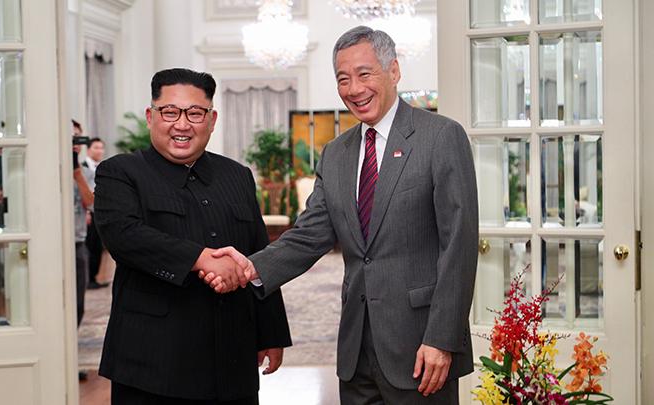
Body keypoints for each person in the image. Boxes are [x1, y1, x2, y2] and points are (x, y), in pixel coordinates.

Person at [202, 26, 479, 404]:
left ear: (393, 71)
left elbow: (459, 245)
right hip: (356, 349)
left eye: (364, 74)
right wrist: (249, 267)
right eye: (343, 79)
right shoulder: (336, 153)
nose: (354, 89)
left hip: (421, 347)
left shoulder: (441, 137)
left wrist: (441, 338)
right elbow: (309, 235)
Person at [93, 68, 292, 404]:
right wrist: (200, 259)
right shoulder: (120, 172)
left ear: (211, 120)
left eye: (195, 113)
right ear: (151, 117)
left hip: (232, 357)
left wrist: (271, 333)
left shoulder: (237, 175)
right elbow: (124, 235)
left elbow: (259, 255)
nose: (182, 124)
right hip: (152, 362)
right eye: (170, 112)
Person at [72, 119, 94, 380]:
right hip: (51, 247)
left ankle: (72, 354)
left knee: (77, 303)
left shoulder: (86, 173)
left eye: (78, 139)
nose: (75, 144)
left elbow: (92, 204)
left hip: (78, 242)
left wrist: (77, 174)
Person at [82, 137, 109, 289]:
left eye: (101, 148)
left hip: (99, 211)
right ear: (88, 149)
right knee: (89, 246)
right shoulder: (81, 168)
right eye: (96, 148)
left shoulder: (104, 167)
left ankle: (94, 278)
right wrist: (86, 211)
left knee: (98, 246)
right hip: (87, 212)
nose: (99, 151)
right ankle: (87, 279)